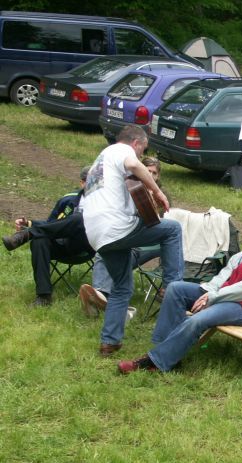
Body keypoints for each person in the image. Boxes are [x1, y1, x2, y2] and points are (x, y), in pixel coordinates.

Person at [118, 209, 242, 373]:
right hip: (223, 295)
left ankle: (153, 360)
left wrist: (213, 297)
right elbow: (228, 271)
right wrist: (210, 289)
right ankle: (165, 351)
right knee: (175, 289)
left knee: (198, 319)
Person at [80, 124, 183, 356]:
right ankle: (172, 288)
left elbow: (125, 192)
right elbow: (135, 165)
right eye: (142, 149)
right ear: (136, 143)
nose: (141, 154)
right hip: (116, 227)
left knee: (121, 287)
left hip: (97, 235)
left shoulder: (101, 160)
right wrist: (157, 192)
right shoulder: (121, 150)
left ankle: (109, 342)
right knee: (173, 229)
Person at [80, 156, 164, 316]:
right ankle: (99, 295)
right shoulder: (130, 188)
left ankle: (165, 287)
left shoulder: (161, 194)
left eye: (154, 173)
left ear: (158, 176)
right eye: (147, 171)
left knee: (171, 236)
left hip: (148, 244)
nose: (151, 175)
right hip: (128, 238)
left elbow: (162, 221)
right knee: (103, 252)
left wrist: (152, 202)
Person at [2, 165, 93, 306]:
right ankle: (43, 296)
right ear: (82, 183)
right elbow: (51, 224)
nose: (95, 184)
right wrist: (30, 223)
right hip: (63, 245)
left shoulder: (108, 202)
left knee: (78, 218)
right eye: (91, 181)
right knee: (39, 240)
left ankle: (28, 234)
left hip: (88, 246)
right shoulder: (68, 200)